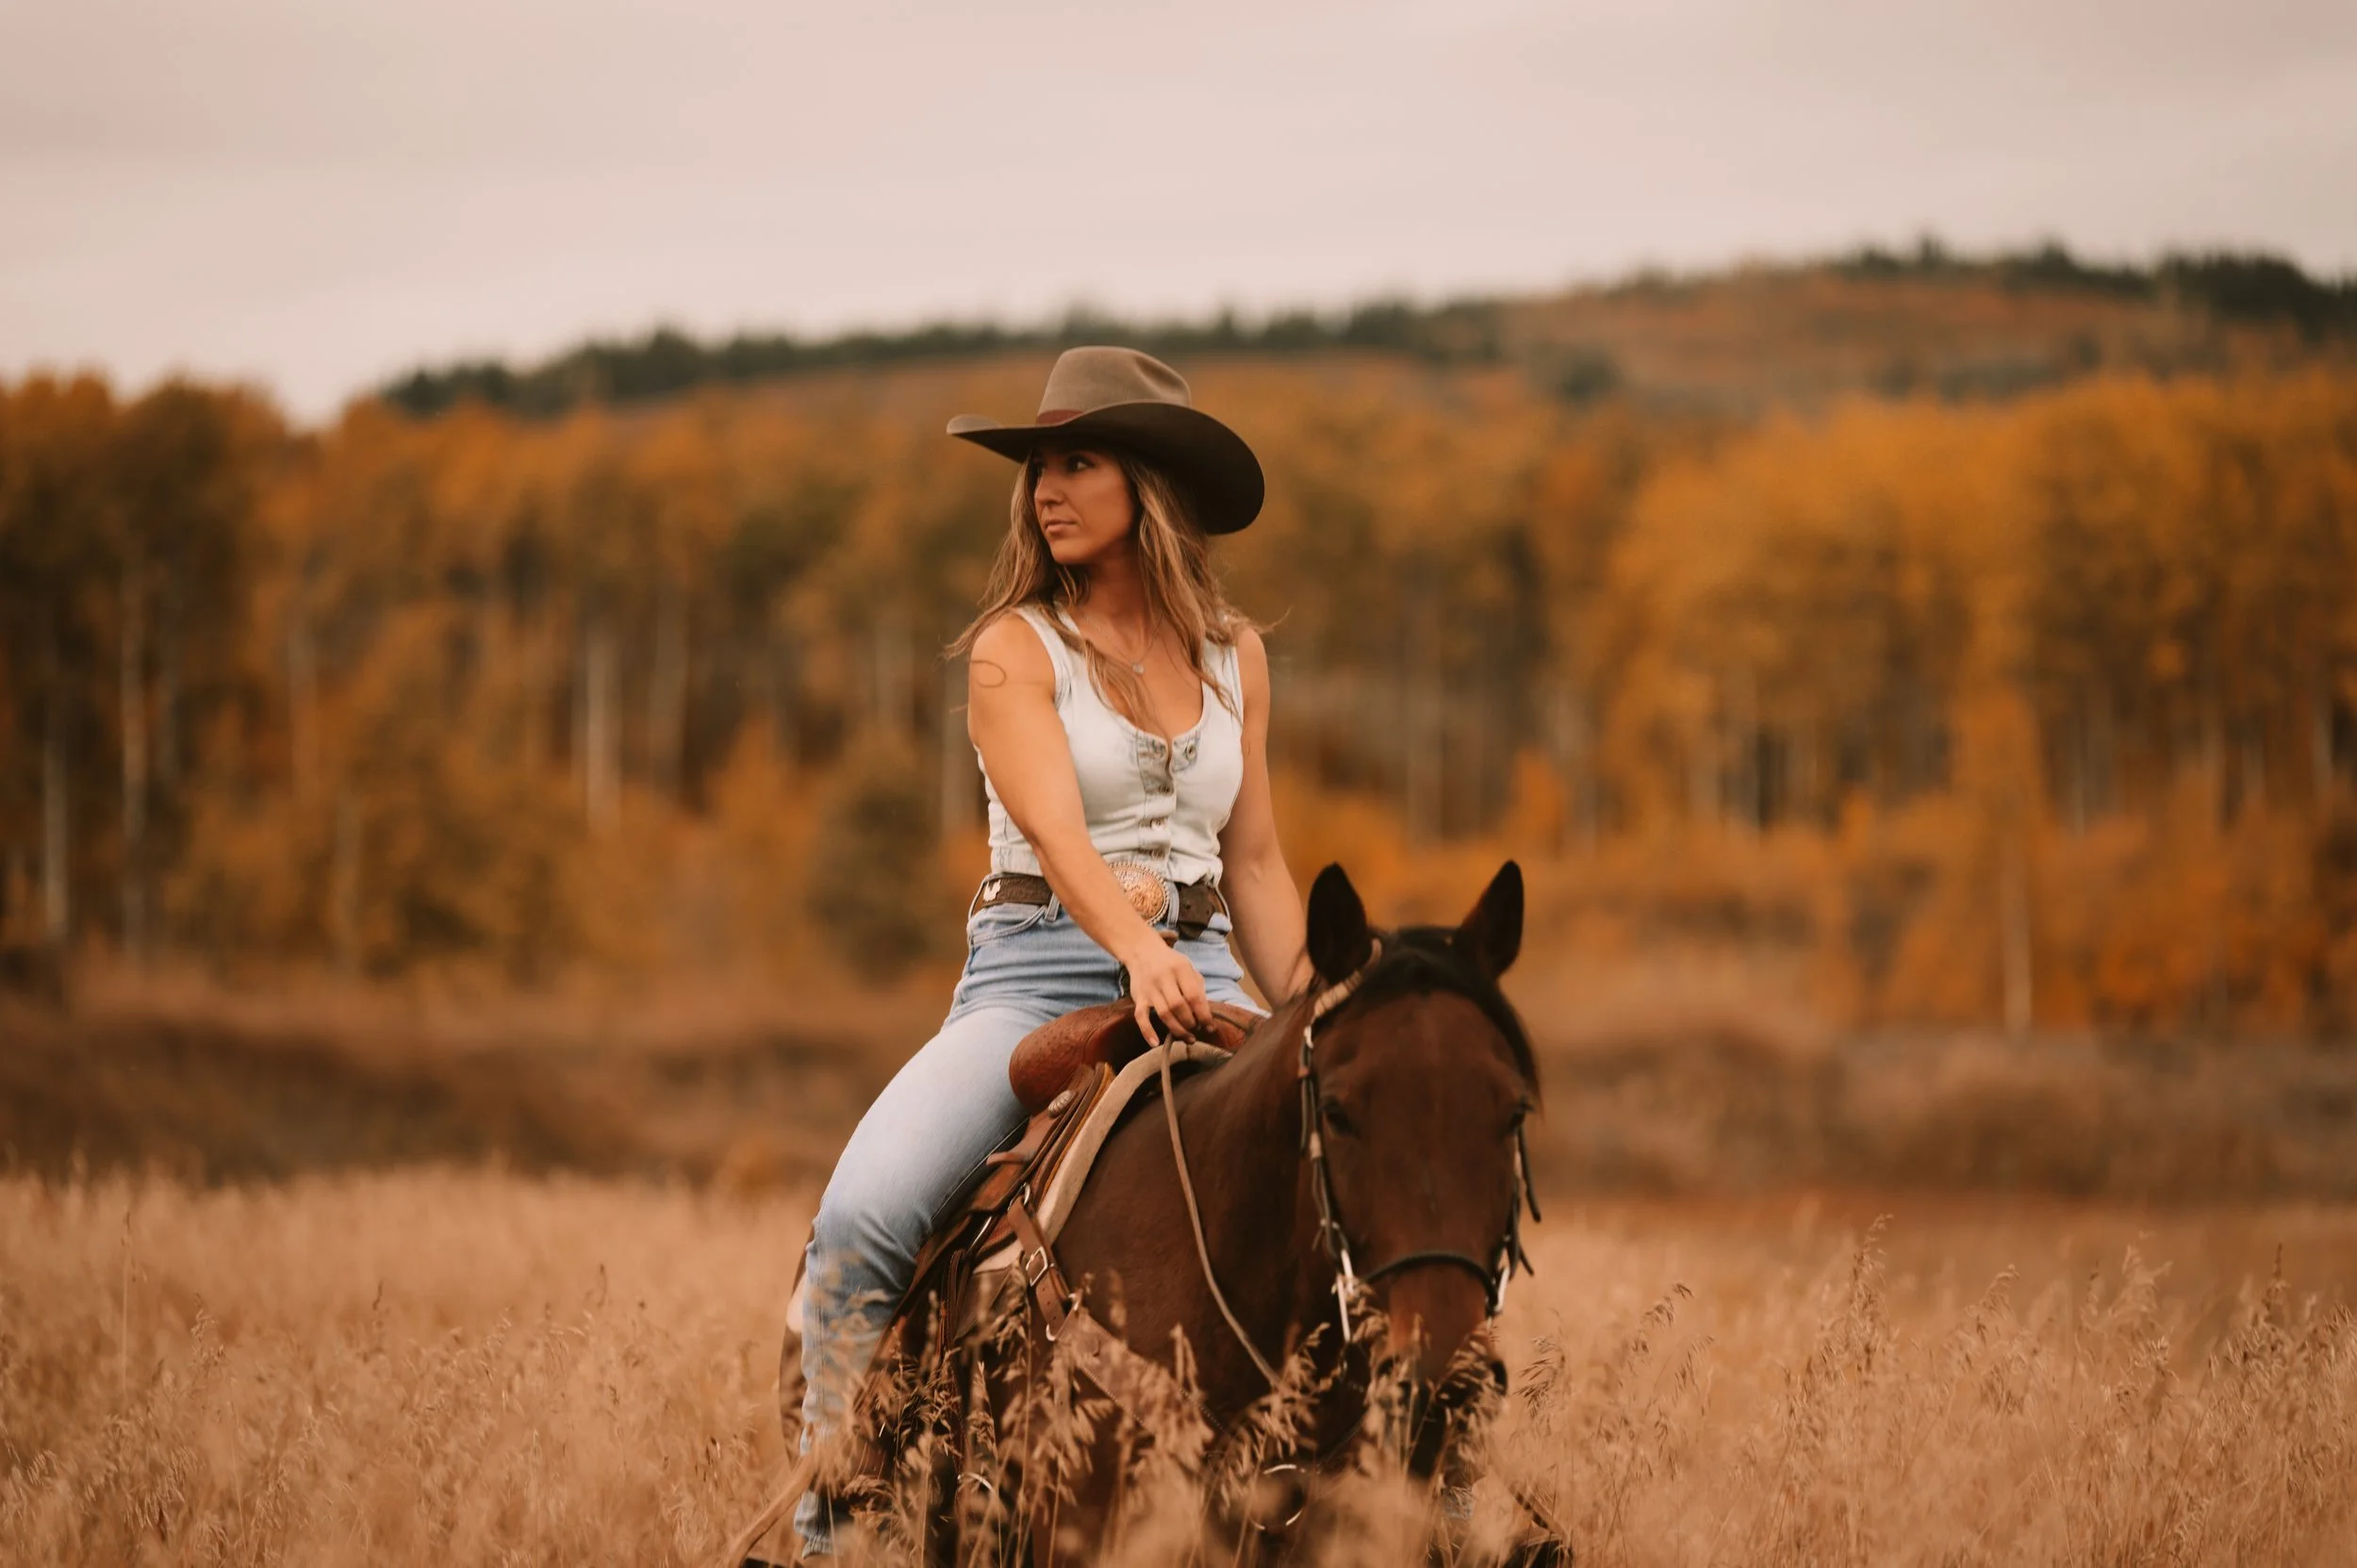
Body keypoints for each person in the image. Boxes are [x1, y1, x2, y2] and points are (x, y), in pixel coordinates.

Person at [792, 346, 1313, 1555]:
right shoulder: (1011, 649)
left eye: (1077, 462)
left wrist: (1325, 1005)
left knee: (1362, 1171)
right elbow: (1058, 838)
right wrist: (1134, 948)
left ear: (1149, 484)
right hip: (1032, 975)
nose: (1045, 490)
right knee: (864, 1214)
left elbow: (1258, 864)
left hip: (1210, 970)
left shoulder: (1237, 656)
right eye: (1037, 467)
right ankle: (823, 1521)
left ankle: (1418, 1493)